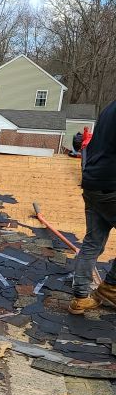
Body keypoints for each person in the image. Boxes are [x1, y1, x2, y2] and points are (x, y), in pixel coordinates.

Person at [70, 100, 116, 314]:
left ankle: (80, 298)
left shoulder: (109, 108)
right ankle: (110, 288)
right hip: (111, 185)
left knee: (92, 242)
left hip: (92, 182)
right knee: (93, 242)